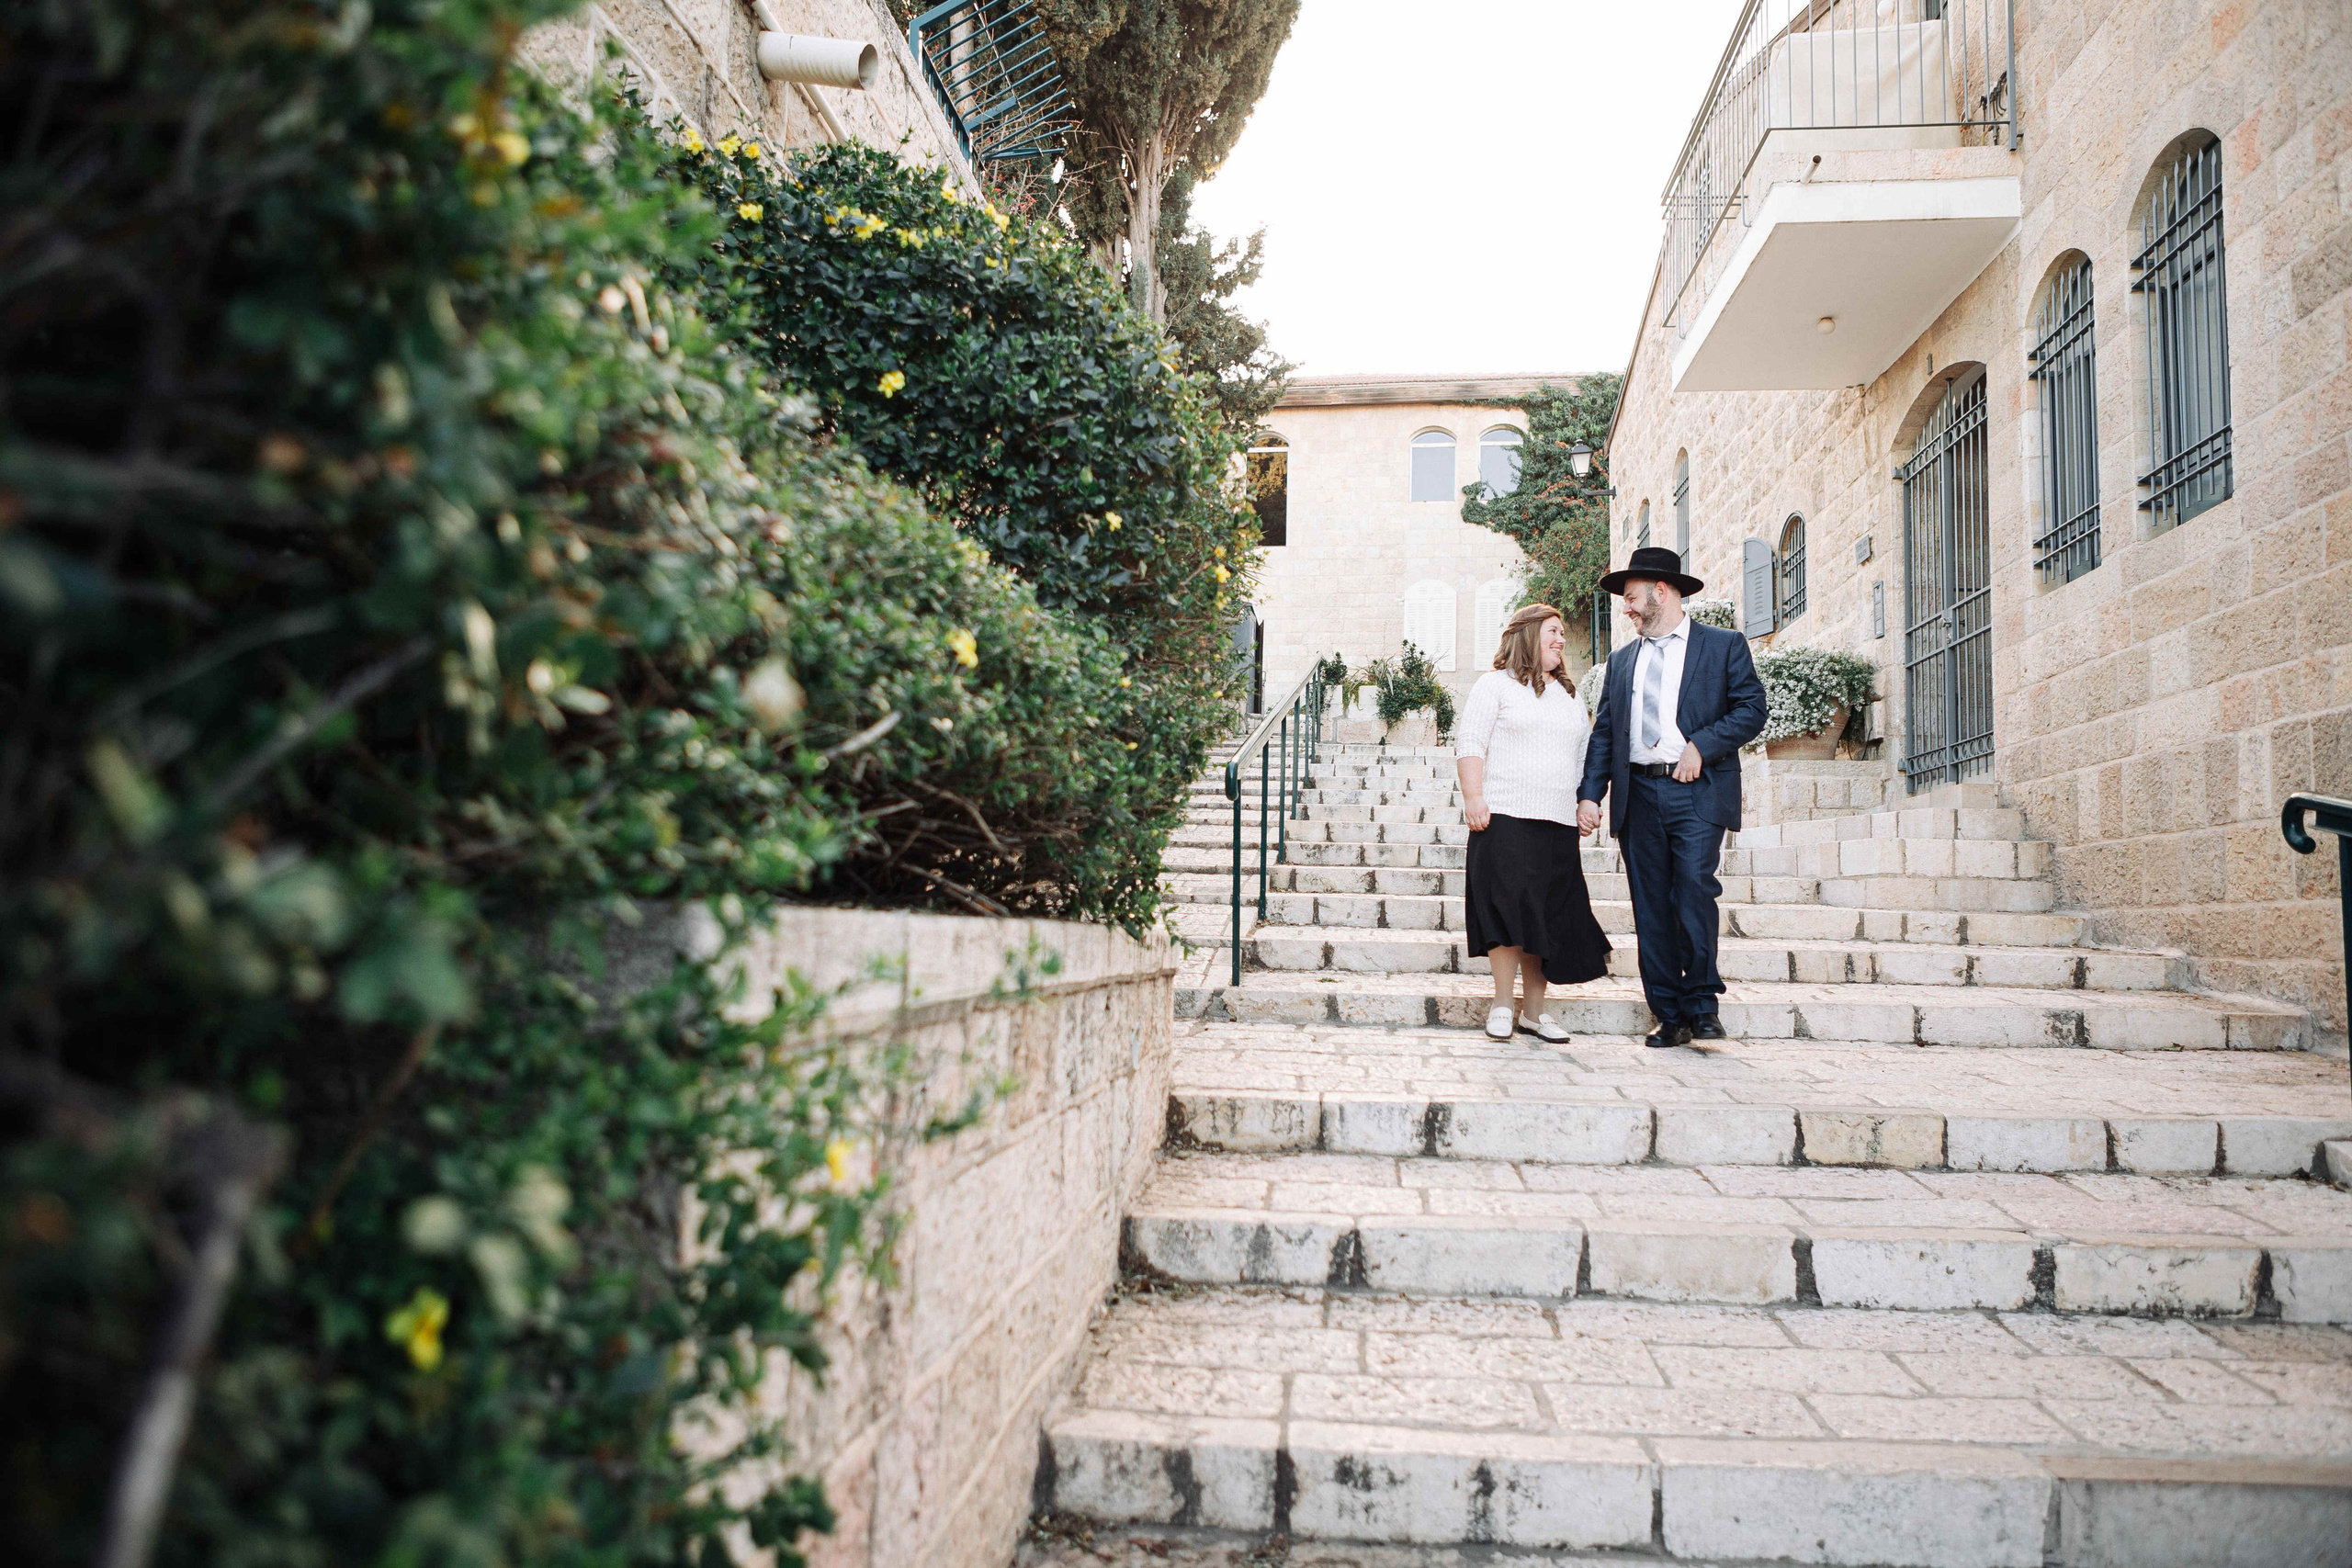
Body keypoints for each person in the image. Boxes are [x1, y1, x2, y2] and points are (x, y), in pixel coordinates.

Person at [1576, 547, 1768, 1049]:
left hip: (1697, 793)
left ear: (1661, 592)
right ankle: (1668, 1013)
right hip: (1637, 795)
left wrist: (1701, 746)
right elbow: (1605, 734)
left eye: (1632, 598)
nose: (1627, 608)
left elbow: (1751, 709)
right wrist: (1591, 795)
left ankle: (1703, 1006)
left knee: (1694, 893)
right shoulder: (1620, 662)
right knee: (1650, 906)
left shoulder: (1723, 646)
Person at [1455, 604, 1612, 1043]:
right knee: (1507, 914)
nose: (1562, 640)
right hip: (1504, 817)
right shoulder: (1494, 686)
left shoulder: (1570, 695)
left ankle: (1535, 1013)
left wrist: (1588, 800)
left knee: (1545, 918)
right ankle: (1503, 1004)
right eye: (1553, 632)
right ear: (1527, 635)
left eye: (1563, 633)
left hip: (1558, 823)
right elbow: (1471, 743)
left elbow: (1584, 756)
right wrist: (1474, 797)